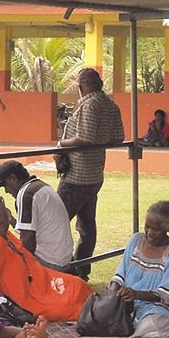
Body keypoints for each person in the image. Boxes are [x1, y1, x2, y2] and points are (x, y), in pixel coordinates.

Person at [0, 194, 91, 323]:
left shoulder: (1, 234)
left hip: (40, 282)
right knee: (72, 300)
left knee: (77, 285)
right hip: (28, 297)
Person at [57, 67, 125, 276]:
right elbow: (118, 138)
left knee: (55, 222)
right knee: (86, 227)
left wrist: (61, 144)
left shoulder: (90, 105)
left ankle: (65, 269)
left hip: (78, 174)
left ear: (82, 86)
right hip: (94, 174)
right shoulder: (110, 105)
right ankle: (81, 269)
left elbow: (84, 138)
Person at [111, 200, 169, 336]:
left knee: (149, 325)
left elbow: (166, 294)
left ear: (167, 228)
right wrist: (114, 291)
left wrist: (136, 294)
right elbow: (120, 273)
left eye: (155, 229)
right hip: (127, 304)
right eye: (147, 226)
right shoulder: (135, 240)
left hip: (156, 307)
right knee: (99, 313)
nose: (149, 232)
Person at [0, 160, 75, 271]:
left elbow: (28, 238)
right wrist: (11, 220)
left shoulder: (26, 194)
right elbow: (31, 230)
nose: (7, 191)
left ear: (13, 179)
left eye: (5, 186)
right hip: (63, 258)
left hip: (50, 262)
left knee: (3, 261)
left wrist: (25, 268)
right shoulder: (40, 186)